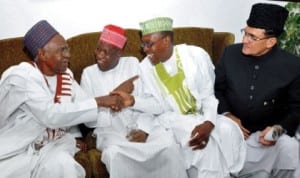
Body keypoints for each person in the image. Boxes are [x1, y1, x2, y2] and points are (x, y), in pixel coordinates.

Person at [0, 20, 134, 178]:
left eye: (67, 49)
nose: (68, 55)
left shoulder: (66, 76)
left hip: (51, 147)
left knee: (64, 166)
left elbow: (87, 114)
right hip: (17, 149)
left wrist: (115, 101)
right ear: (42, 54)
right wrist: (100, 101)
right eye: (62, 50)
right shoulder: (20, 77)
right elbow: (51, 115)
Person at [134, 17, 246, 178]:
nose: (144, 49)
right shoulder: (144, 68)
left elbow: (208, 95)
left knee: (228, 130)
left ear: (166, 41)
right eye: (142, 44)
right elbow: (152, 104)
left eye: (148, 44)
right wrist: (143, 124)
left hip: (203, 114)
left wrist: (208, 123)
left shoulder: (195, 56)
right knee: (202, 144)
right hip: (172, 120)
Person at [80, 24, 188, 178]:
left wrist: (145, 129)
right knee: (114, 154)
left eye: (106, 52)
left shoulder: (133, 64)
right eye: (98, 49)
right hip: (111, 133)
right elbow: (88, 120)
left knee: (169, 145)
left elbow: (150, 101)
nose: (99, 55)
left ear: (119, 53)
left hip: (141, 126)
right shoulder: (88, 74)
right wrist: (113, 100)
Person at [214, 3, 300, 178]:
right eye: (245, 32)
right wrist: (227, 114)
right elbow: (216, 90)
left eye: (252, 37)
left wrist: (278, 129)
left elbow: (297, 108)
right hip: (229, 135)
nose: (245, 40)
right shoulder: (230, 54)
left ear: (271, 41)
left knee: (290, 148)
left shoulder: (293, 65)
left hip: (265, 138)